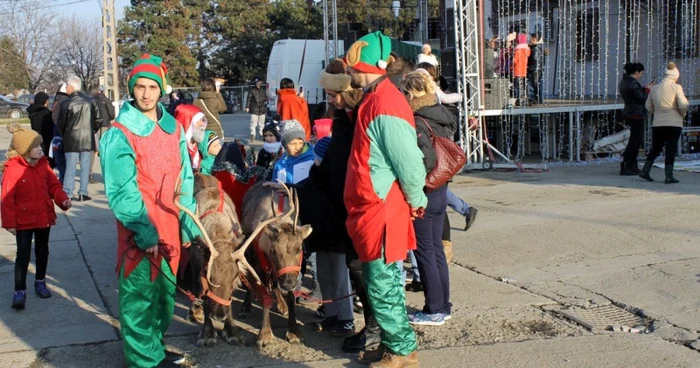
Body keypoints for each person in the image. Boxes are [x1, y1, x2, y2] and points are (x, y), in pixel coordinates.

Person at [100, 53, 202, 368]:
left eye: (152, 87)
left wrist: (187, 218)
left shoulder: (172, 128)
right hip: (141, 230)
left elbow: (184, 176)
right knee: (138, 298)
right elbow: (121, 188)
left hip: (170, 226)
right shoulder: (120, 132)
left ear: (161, 90)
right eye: (140, 87)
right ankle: (143, 360)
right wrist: (141, 227)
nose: (145, 94)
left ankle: (154, 347)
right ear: (132, 89)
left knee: (164, 296)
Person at [344, 31, 426, 367]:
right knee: (383, 283)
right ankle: (395, 344)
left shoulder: (385, 103)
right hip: (371, 206)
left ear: (368, 66)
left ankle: (403, 352)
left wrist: (417, 198)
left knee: (384, 285)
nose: (349, 74)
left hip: (381, 208)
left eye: (353, 69)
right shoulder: (375, 99)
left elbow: (408, 162)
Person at [401, 71, 457, 326]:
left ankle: (434, 309)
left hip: (425, 190)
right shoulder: (442, 114)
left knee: (425, 252)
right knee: (436, 251)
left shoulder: (416, 119)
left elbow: (426, 159)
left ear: (412, 93)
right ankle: (443, 306)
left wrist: (413, 184)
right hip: (442, 187)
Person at [1, 124, 71, 310]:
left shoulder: (44, 166)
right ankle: (19, 291)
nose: (41, 148)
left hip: (43, 216)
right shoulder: (13, 169)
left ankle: (40, 281)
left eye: (40, 145)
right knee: (23, 256)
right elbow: (6, 198)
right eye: (37, 146)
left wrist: (62, 200)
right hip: (23, 221)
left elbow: (54, 186)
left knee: (42, 252)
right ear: (25, 150)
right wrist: (9, 222)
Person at [639, 62, 689, 184]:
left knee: (656, 148)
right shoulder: (676, 87)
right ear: (674, 76)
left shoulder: (655, 88)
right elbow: (683, 104)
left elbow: (648, 106)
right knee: (670, 149)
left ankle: (645, 171)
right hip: (674, 123)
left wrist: (657, 113)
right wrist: (682, 113)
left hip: (658, 123)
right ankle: (669, 176)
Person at [57, 76, 103, 201]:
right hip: (87, 138)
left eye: (66, 86)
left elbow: (61, 123)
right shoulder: (90, 101)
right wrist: (92, 130)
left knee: (70, 167)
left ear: (71, 87)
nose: (66, 88)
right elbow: (99, 119)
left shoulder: (66, 103)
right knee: (85, 167)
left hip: (71, 139)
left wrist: (65, 134)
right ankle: (83, 192)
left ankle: (68, 193)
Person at [619, 62, 652, 176]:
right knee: (635, 141)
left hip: (629, 112)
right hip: (636, 113)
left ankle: (631, 165)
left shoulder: (624, 81)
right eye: (641, 73)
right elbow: (641, 98)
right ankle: (627, 164)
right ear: (636, 72)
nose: (641, 75)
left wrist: (643, 88)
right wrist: (647, 90)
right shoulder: (633, 83)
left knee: (635, 141)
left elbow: (634, 95)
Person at [90, 86, 117, 183]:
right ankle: (107, 175)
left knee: (93, 149)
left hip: (94, 126)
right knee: (105, 149)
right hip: (105, 125)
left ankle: (90, 173)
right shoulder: (106, 100)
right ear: (103, 91)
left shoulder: (91, 100)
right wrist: (109, 119)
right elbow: (112, 113)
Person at [173, 104, 208, 173]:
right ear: (188, 122)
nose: (202, 123)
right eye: (199, 120)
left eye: (203, 120)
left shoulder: (202, 142)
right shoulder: (176, 146)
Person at [27, 92, 55, 168]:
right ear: (45, 102)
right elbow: (49, 129)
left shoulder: (33, 112)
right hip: (46, 142)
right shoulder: (46, 114)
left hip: (36, 140)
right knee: (47, 164)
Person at [51, 83, 69, 182]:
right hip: (63, 136)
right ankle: (63, 188)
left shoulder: (56, 101)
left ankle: (61, 185)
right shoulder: (65, 102)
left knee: (60, 164)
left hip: (56, 137)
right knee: (65, 166)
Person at [527, 33, 548, 105]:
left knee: (535, 84)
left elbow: (534, 58)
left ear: (536, 39)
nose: (531, 40)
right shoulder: (540, 47)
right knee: (537, 84)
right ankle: (538, 99)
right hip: (537, 68)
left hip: (534, 68)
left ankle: (536, 99)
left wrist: (528, 63)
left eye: (533, 39)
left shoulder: (535, 47)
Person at [246, 77, 267, 141]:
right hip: (254, 108)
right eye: (259, 82)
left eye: (260, 82)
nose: (260, 83)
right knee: (253, 123)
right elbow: (249, 99)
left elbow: (265, 98)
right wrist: (247, 107)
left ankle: (262, 134)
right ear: (256, 83)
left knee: (262, 123)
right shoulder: (252, 90)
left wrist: (265, 101)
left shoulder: (262, 90)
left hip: (262, 108)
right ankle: (253, 134)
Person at [512, 33, 530, 106]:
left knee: (517, 86)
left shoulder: (518, 50)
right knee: (523, 85)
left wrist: (511, 63)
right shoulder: (527, 50)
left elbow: (514, 61)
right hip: (524, 70)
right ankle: (524, 99)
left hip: (517, 70)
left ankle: (519, 100)